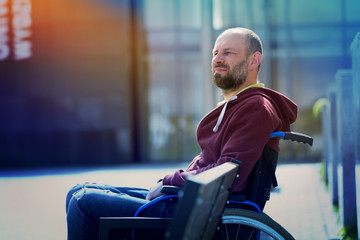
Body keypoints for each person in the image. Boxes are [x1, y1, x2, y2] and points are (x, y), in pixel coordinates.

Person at [66, 27, 297, 239]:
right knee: (78, 191)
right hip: (193, 205)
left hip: (199, 215)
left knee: (82, 202)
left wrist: (170, 180)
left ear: (253, 60)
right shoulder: (241, 104)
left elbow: (230, 177)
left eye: (228, 52)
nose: (217, 58)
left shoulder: (255, 108)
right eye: (215, 52)